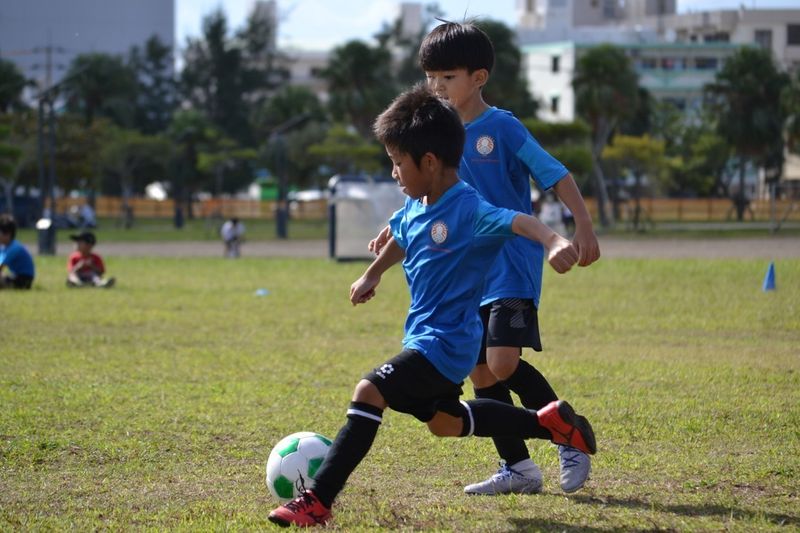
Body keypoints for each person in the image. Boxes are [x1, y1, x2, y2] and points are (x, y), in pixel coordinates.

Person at [267, 85, 596, 528]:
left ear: (429, 162)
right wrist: (373, 273)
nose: (393, 172)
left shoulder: (469, 208)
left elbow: (520, 220)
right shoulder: (416, 204)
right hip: (424, 337)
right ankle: (551, 424)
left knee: (369, 391)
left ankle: (318, 500)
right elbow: (402, 235)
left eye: (398, 162)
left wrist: (555, 239)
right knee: (446, 422)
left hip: (448, 343)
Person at [369, 21, 602, 496]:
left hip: (511, 263)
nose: (436, 87)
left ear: (478, 77)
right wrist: (397, 225)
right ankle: (517, 466)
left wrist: (581, 227)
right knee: (478, 371)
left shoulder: (502, 127)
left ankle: (566, 436)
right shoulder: (433, 134)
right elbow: (425, 194)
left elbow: (556, 174)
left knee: (500, 362)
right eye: (430, 78)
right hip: (465, 274)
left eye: (447, 77)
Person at [0, 214, 35, 290]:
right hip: (15, 276)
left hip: (24, 280)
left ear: (7, 234)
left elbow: (1, 266)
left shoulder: (14, 247)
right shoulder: (4, 246)